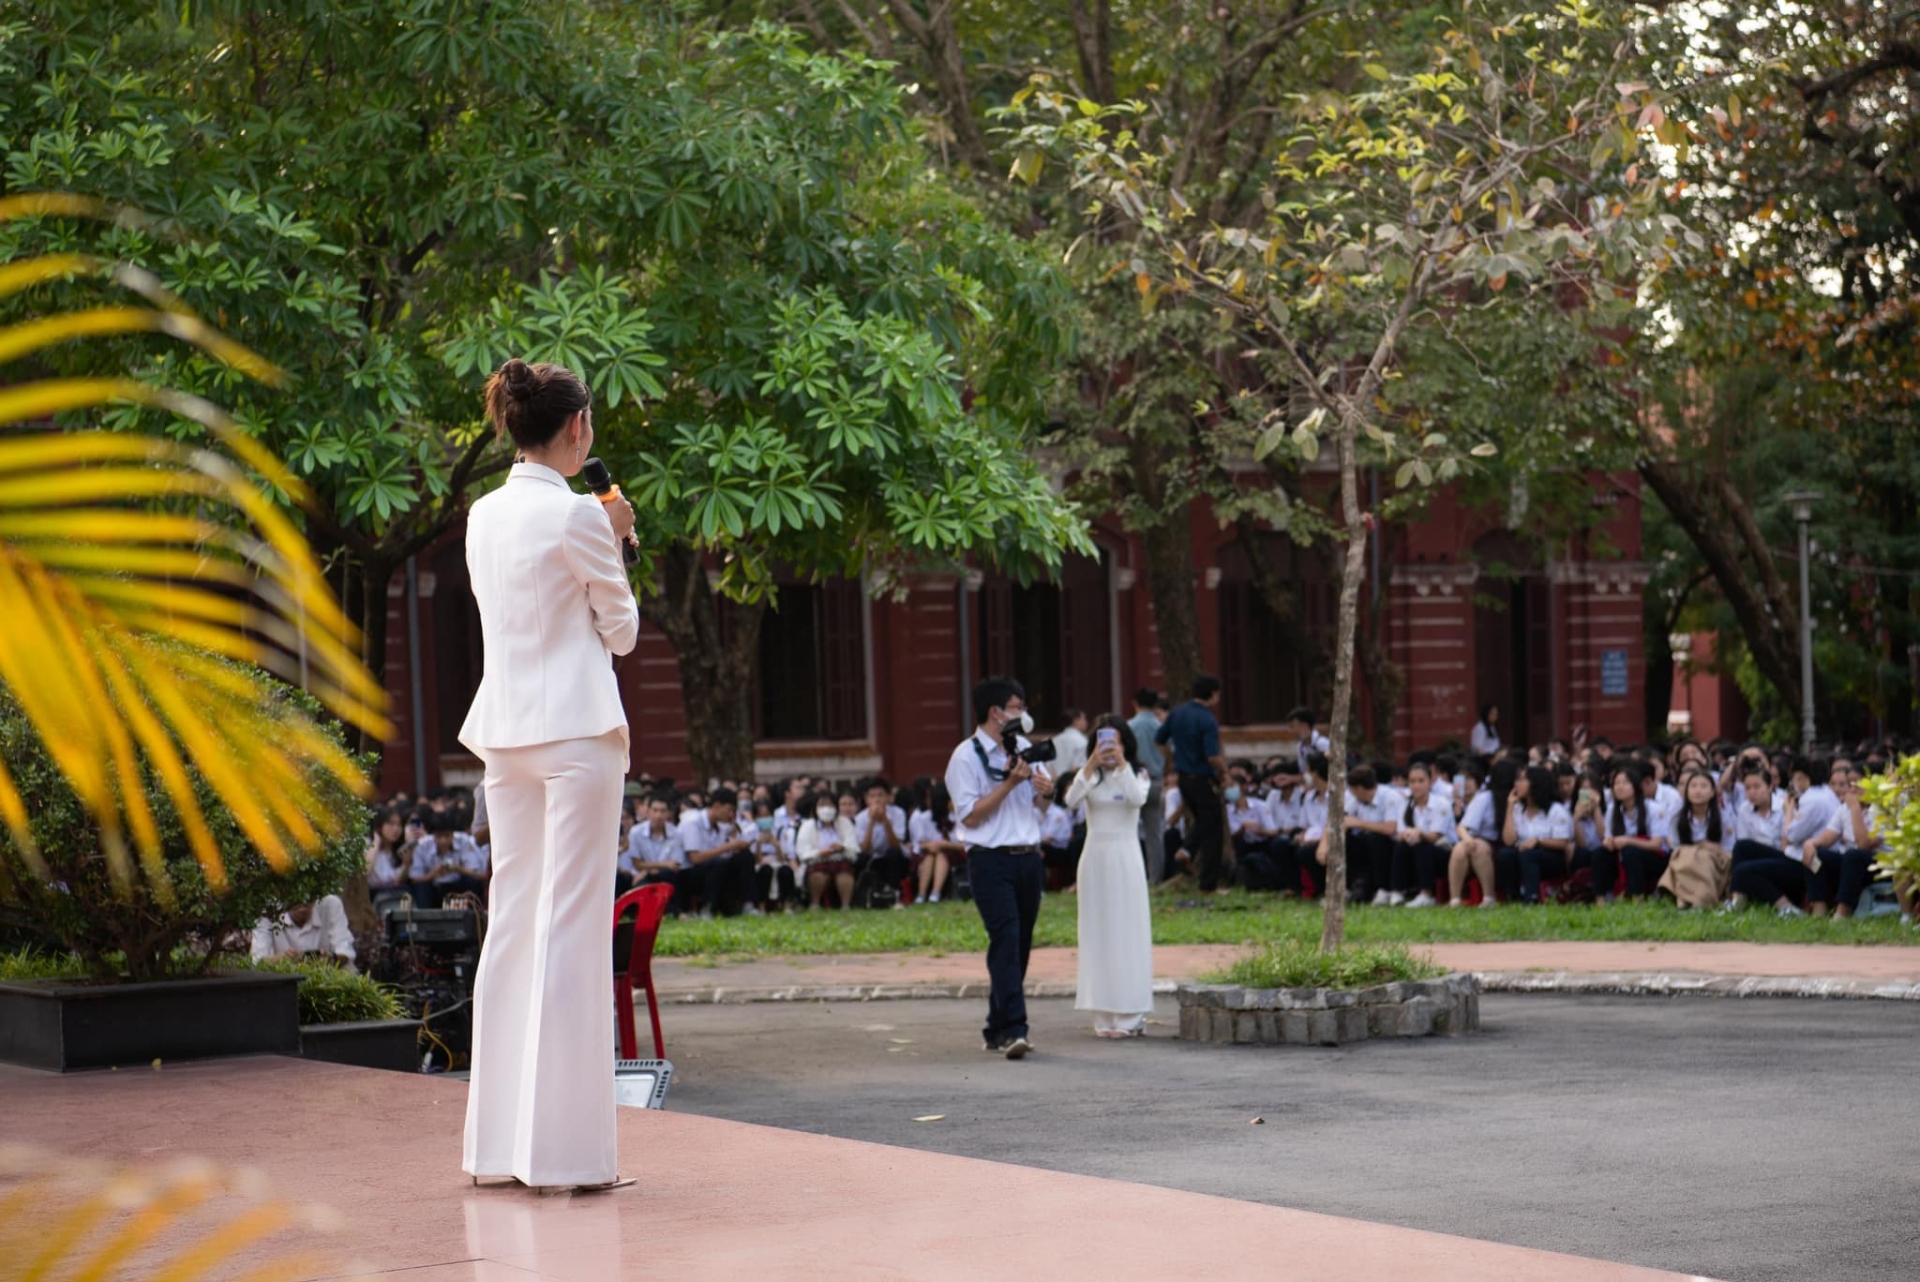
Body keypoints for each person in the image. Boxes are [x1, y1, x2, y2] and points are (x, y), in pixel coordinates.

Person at [459, 357, 638, 1194]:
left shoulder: (482, 516)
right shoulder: (577, 519)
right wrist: (619, 540)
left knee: (514, 922)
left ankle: (497, 1151)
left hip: (506, 732)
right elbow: (623, 631)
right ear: (576, 428)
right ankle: (566, 1156)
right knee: (570, 927)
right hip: (574, 732)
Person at [945, 676, 1055, 1059]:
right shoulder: (965, 757)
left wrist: (1045, 792)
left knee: (1020, 943)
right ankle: (1015, 1029)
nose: (1022, 713)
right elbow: (971, 817)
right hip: (990, 859)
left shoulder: (1024, 748)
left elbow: (1038, 806)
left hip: (1028, 856)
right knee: (1006, 937)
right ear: (996, 712)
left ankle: (995, 1026)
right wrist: (1009, 784)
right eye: (1017, 706)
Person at [1069, 716, 1154, 1038]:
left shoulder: (1137, 773)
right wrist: (1090, 765)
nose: (1109, 747)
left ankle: (1131, 1014)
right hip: (1095, 858)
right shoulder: (1090, 776)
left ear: (1126, 744)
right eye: (1104, 742)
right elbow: (1071, 800)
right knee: (1097, 932)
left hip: (1126, 856)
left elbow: (1136, 799)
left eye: (1115, 742)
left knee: (1127, 931)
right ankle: (1103, 1013)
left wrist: (1121, 766)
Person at [1156, 676, 1227, 893]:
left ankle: (1198, 867)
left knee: (1206, 822)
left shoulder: (1177, 713)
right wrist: (1225, 772)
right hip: (1202, 777)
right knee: (1213, 823)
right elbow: (1212, 755)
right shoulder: (1207, 719)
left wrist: (1172, 758)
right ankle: (1191, 856)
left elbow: (1160, 739)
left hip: (1183, 778)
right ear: (1213, 694)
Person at [679, 795, 757, 918]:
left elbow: (723, 853)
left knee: (744, 857)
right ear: (717, 806)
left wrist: (737, 847)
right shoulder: (693, 822)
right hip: (689, 872)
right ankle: (707, 909)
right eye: (729, 810)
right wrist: (728, 846)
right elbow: (695, 858)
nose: (731, 815)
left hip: (714, 867)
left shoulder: (720, 826)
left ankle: (748, 904)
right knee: (718, 863)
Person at [1508, 765, 1575, 905]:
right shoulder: (1518, 809)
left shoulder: (1556, 810)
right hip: (1523, 851)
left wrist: (1538, 841)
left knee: (1529, 854)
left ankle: (1531, 897)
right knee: (1505, 854)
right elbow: (1509, 840)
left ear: (1535, 784)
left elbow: (1563, 843)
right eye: (1517, 780)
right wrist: (1509, 808)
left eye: (1522, 780)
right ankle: (1513, 897)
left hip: (1551, 856)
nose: (1517, 784)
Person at [1396, 762, 1454, 908]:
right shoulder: (1405, 804)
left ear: (1430, 782)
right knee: (1400, 846)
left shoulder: (1441, 804)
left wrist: (1419, 833)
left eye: (1421, 781)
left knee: (1423, 846)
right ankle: (1398, 891)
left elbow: (1434, 837)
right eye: (1412, 781)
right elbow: (1400, 833)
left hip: (1445, 852)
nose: (1416, 786)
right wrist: (1408, 835)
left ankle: (1426, 894)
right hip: (1416, 848)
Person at [1128, 688, 1169, 883]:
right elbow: (1170, 751)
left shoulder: (1129, 727)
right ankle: (1155, 878)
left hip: (1133, 780)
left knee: (1128, 831)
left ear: (1134, 702)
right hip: (1155, 781)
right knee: (1154, 834)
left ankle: (1133, 877)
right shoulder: (1159, 726)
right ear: (1155, 705)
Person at [252, 895, 356, 970]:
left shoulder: (331, 903)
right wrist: (284, 959)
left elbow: (345, 951)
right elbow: (256, 961)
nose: (302, 906)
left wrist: (331, 958)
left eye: (308, 900)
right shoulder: (267, 907)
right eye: (296, 903)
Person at [410, 810, 490, 906]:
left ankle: (472, 914)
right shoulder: (423, 846)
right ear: (434, 836)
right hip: (434, 886)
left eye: (447, 836)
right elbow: (414, 878)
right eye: (439, 836)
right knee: (421, 887)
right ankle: (424, 918)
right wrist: (433, 874)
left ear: (452, 834)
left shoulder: (463, 841)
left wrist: (457, 868)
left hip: (457, 886)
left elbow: (478, 874)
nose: (443, 841)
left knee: (472, 882)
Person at [854, 777, 912, 907]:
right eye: (872, 796)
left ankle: (895, 894)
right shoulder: (860, 818)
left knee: (894, 853)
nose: (877, 800)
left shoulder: (898, 813)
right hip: (873, 859)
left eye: (880, 795)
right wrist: (872, 822)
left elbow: (896, 844)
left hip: (893, 858)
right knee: (861, 858)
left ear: (888, 797)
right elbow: (865, 849)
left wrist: (885, 821)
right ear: (866, 799)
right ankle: (864, 896)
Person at [798, 789, 859, 909]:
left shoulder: (844, 823)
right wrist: (819, 853)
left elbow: (853, 847)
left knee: (844, 873)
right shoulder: (808, 826)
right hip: (817, 860)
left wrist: (842, 848)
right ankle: (814, 904)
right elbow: (802, 850)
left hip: (840, 858)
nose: (826, 808)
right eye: (822, 805)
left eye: (830, 805)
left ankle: (845, 905)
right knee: (818, 875)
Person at [620, 795, 687, 900]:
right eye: (655, 810)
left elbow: (674, 865)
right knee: (641, 885)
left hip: (661, 875)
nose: (658, 815)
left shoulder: (676, 833)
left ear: (668, 813)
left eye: (662, 811)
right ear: (648, 812)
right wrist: (663, 864)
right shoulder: (636, 832)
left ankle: (674, 912)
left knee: (669, 876)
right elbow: (637, 864)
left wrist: (647, 871)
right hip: (640, 875)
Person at [909, 783, 965, 904]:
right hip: (929, 854)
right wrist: (931, 845)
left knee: (941, 855)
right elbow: (917, 844)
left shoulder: (958, 817)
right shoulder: (924, 818)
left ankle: (936, 892)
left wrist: (945, 844)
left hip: (955, 854)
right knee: (930, 856)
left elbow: (966, 844)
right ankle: (922, 894)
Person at [746, 799, 798, 911]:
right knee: (765, 870)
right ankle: (761, 905)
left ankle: (787, 905)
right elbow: (754, 859)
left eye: (767, 815)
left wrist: (776, 845)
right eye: (761, 816)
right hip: (760, 862)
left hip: (777, 860)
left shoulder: (779, 830)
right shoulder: (750, 832)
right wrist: (759, 844)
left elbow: (784, 858)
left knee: (785, 871)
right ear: (755, 817)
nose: (765, 819)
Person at [365, 807, 412, 912]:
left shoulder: (398, 851)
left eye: (399, 825)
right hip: (373, 896)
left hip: (392, 896)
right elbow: (365, 870)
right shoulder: (368, 844)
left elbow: (396, 882)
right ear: (379, 826)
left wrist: (406, 864)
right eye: (390, 824)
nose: (396, 829)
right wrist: (376, 840)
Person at [1052, 708, 1090, 775]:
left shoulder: (1055, 740)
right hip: (1071, 781)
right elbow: (1077, 767)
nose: (1086, 722)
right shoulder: (1082, 741)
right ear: (1076, 720)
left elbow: (1049, 767)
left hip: (1055, 781)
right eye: (1084, 719)